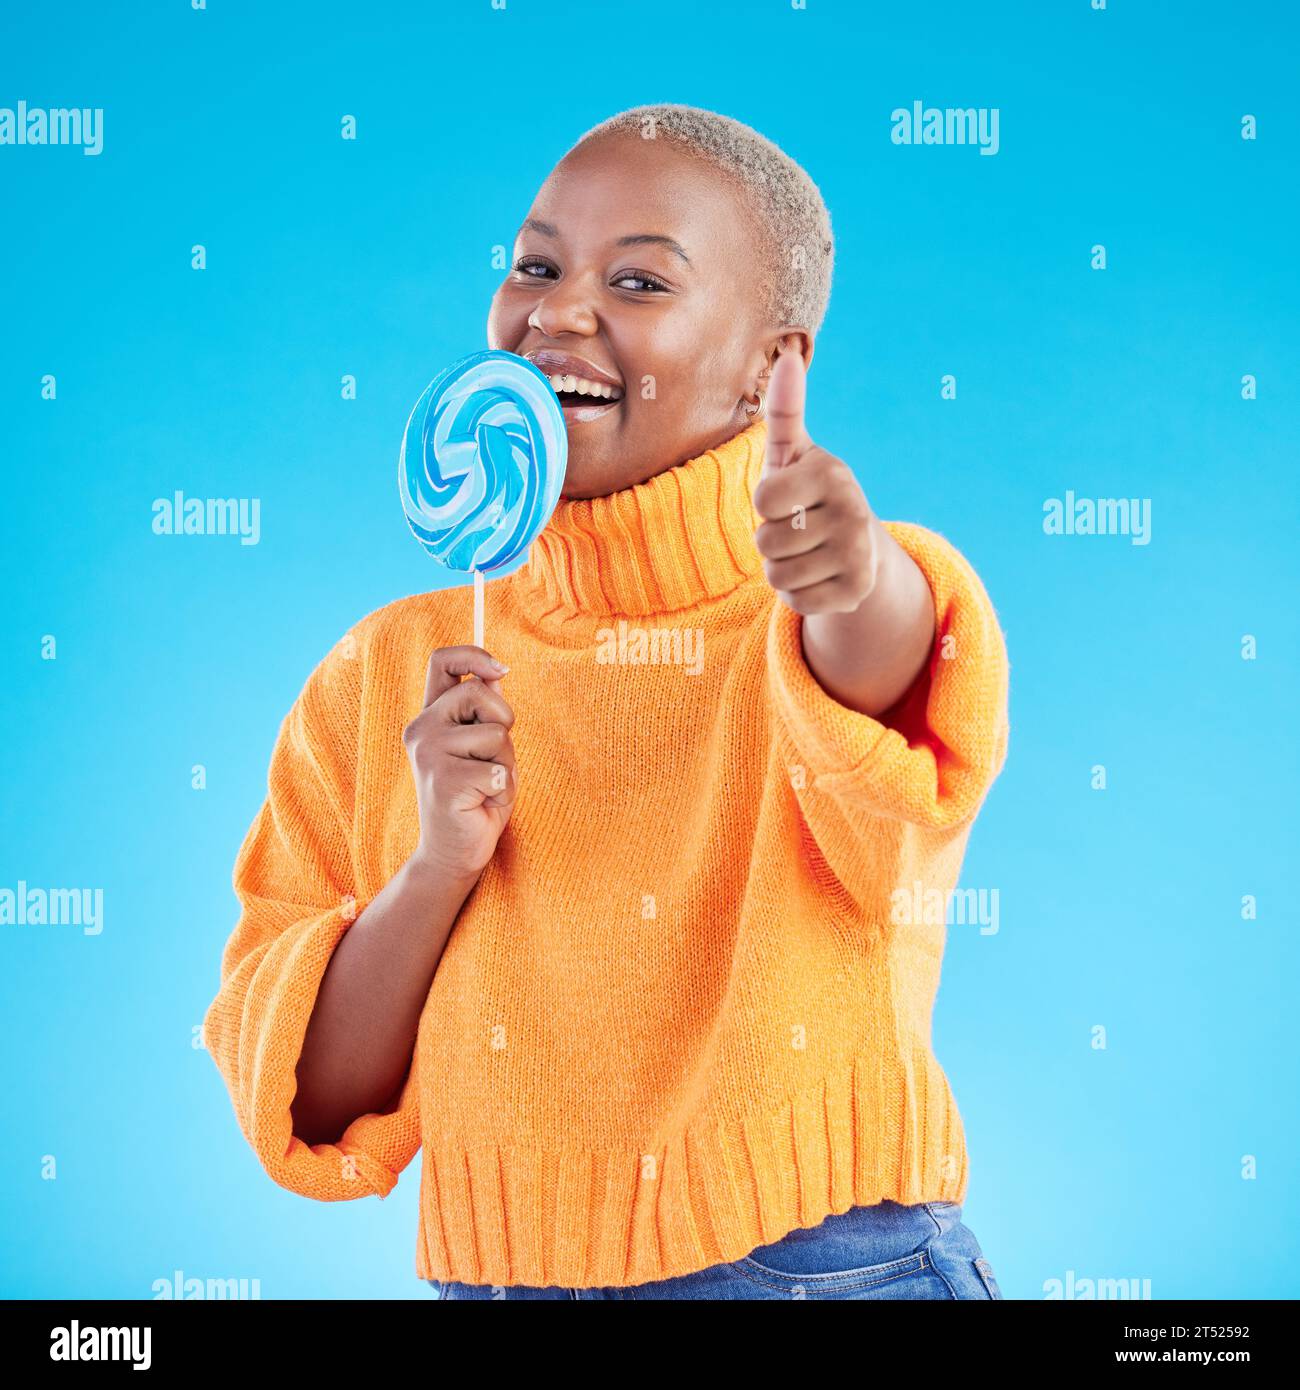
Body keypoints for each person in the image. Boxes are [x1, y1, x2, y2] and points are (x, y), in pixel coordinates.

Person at [203, 103, 1010, 1301]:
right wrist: (436, 867)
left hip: (819, 1265)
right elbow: (314, 1098)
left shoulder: (815, 608)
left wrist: (855, 572)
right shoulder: (390, 672)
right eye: (536, 265)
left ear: (770, 365)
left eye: (639, 281)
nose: (559, 310)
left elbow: (880, 674)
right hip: (504, 1277)